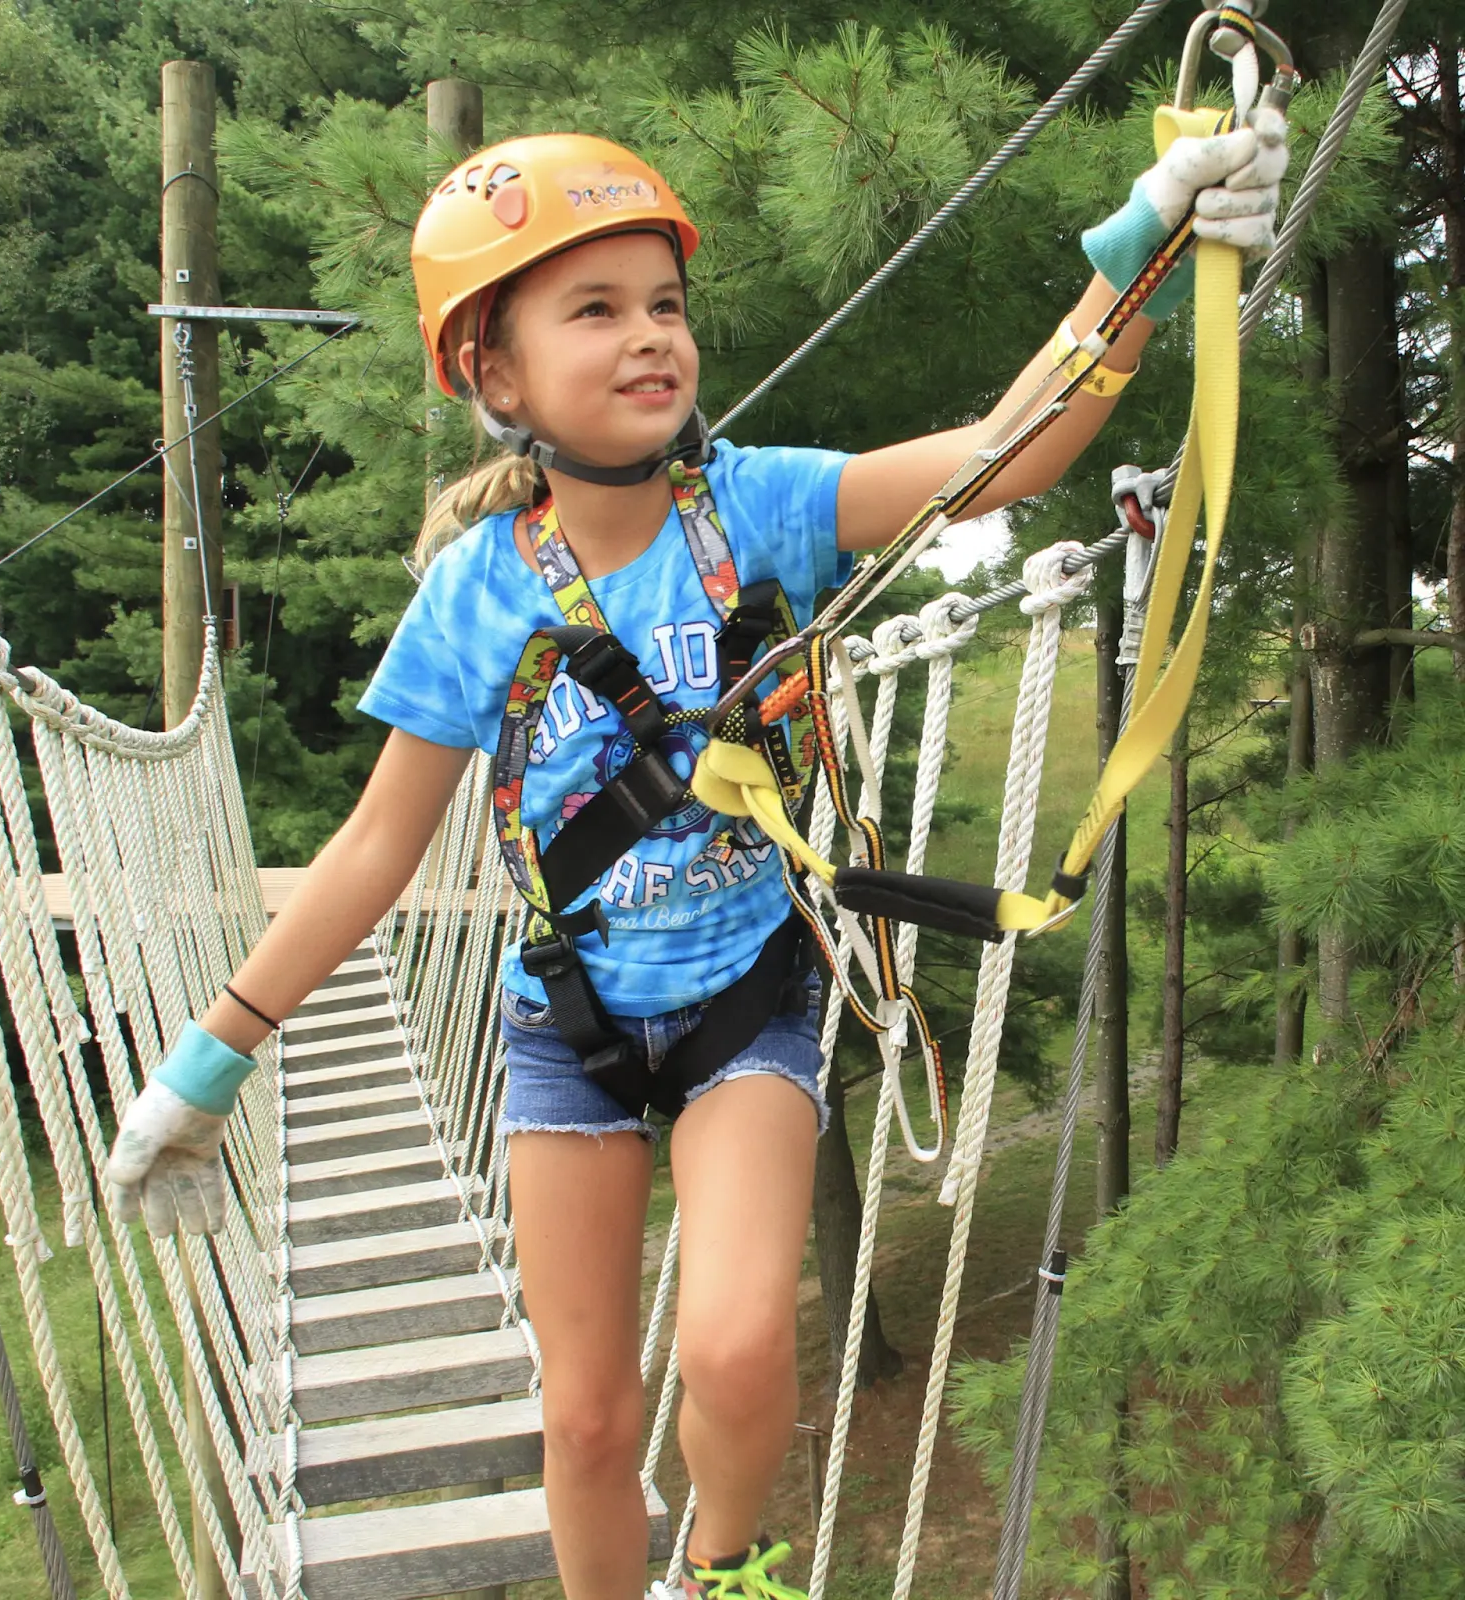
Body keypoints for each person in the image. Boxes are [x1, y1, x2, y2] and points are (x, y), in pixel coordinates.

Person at [107, 116, 1286, 1600]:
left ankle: (723, 1574)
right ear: (494, 375)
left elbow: (1000, 460)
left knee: (735, 1348)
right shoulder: (476, 595)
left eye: (665, 305)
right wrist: (212, 1065)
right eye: (593, 311)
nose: (650, 338)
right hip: (567, 1030)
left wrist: (1138, 265)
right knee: (588, 1415)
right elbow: (372, 849)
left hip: (746, 996)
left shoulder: (761, 507)